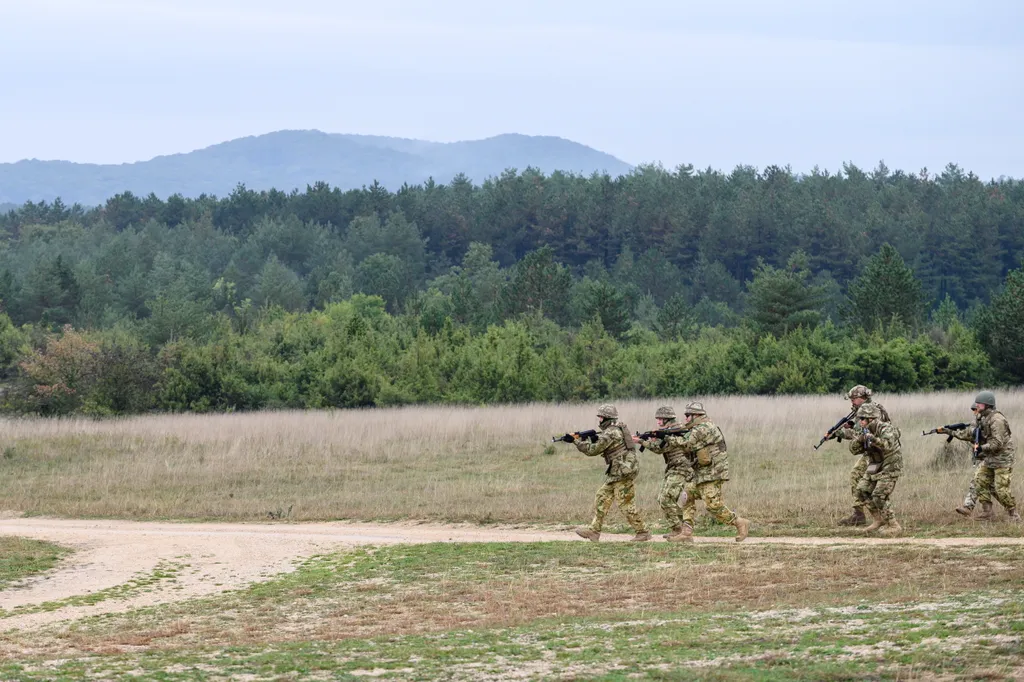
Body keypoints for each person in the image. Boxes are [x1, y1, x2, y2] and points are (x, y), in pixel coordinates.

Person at [572, 403, 651, 542]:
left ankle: (643, 532)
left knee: (625, 504)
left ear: (607, 418)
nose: (599, 420)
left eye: (601, 417)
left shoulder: (610, 432)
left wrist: (576, 442)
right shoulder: (615, 429)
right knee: (601, 497)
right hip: (617, 472)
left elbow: (593, 450)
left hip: (622, 473)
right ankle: (594, 531)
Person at [672, 402, 749, 542]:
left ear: (696, 416)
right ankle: (686, 533)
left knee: (713, 506)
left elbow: (686, 443)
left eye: (688, 415)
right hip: (702, 472)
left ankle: (739, 522)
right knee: (686, 496)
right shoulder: (696, 428)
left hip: (713, 472)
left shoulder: (704, 428)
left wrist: (668, 438)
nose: (685, 418)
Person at [942, 391, 1020, 522]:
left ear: (987, 405)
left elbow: (997, 443)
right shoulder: (982, 418)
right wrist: (950, 432)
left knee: (1001, 488)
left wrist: (980, 448)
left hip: (1002, 458)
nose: (976, 406)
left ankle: (1013, 514)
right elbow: (971, 434)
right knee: (979, 480)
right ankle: (987, 512)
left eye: (979, 403)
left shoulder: (997, 420)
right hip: (989, 456)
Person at [832, 385, 891, 527]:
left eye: (854, 399)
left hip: (878, 451)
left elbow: (861, 435)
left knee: (859, 477)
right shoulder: (865, 409)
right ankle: (862, 513)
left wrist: (840, 433)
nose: (852, 401)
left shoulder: (870, 410)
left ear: (863, 398)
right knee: (862, 479)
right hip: (872, 450)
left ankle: (862, 515)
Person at [634, 406, 694, 542]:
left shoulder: (675, 431)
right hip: (673, 468)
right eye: (658, 419)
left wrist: (642, 441)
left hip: (681, 468)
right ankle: (682, 527)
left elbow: (659, 448)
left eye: (661, 419)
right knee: (662, 499)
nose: (659, 422)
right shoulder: (668, 431)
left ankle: (681, 530)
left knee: (666, 499)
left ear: (668, 419)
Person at [849, 402, 903, 534]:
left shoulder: (885, 429)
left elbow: (887, 445)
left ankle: (894, 525)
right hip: (875, 464)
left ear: (871, 419)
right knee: (861, 490)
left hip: (890, 465)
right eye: (859, 418)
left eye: (862, 418)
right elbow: (853, 450)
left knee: (879, 495)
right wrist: (860, 440)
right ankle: (878, 520)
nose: (859, 421)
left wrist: (873, 439)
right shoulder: (864, 430)